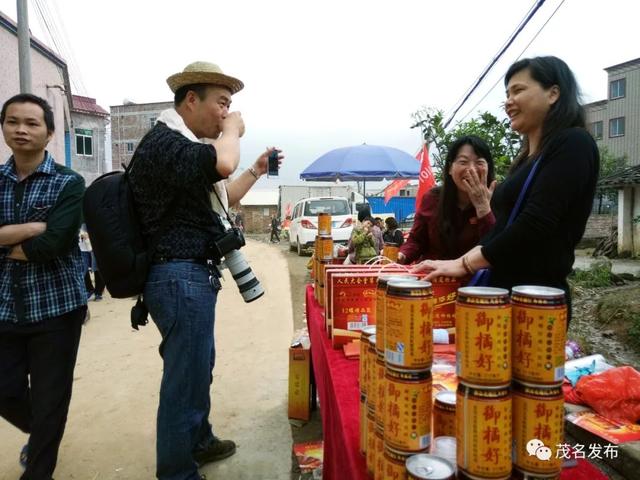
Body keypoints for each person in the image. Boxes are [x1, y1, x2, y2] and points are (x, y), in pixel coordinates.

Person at [128, 61, 282, 480]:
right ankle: (177, 471)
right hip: (177, 275)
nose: (225, 113)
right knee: (185, 376)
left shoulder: (181, 148)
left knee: (199, 366)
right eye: (222, 103)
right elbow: (222, 164)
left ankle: (198, 440)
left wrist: (257, 170)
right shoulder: (167, 142)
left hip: (187, 276)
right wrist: (232, 131)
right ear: (190, 99)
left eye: (229, 107)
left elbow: (223, 193)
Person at [413, 56, 600, 324]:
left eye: (519, 90)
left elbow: (536, 223)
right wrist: (458, 261)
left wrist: (465, 263)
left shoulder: (573, 143)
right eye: (507, 93)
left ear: (553, 93)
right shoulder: (526, 160)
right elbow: (503, 228)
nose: (509, 101)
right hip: (501, 297)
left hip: (535, 303)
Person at [0, 94, 86, 479]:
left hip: (57, 309)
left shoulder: (69, 182)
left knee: (51, 400)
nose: (21, 129)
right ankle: (44, 433)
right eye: (12, 121)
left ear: (49, 133)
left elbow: (56, 243)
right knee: (5, 390)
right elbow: (43, 238)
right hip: (4, 307)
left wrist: (9, 239)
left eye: (32, 123)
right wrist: (35, 228)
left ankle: (39, 468)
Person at [398, 135, 496, 264]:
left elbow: (496, 248)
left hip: (475, 282)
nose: (471, 169)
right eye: (463, 162)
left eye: (479, 163)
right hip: (432, 278)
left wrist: (483, 208)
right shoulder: (432, 198)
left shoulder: (499, 197)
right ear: (450, 168)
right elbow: (417, 240)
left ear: (488, 168)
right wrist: (402, 255)